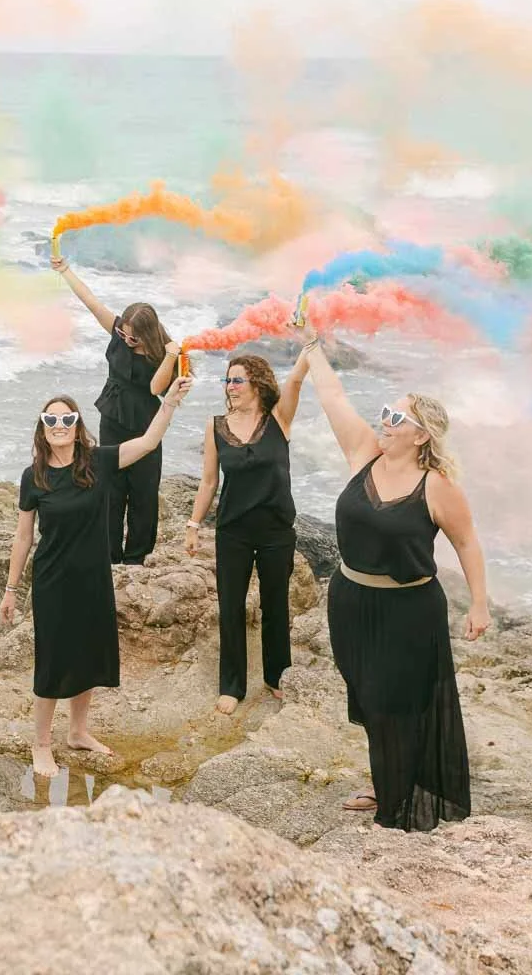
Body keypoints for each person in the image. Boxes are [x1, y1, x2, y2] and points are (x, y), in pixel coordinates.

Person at [301, 334, 491, 831]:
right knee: (367, 697)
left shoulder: (438, 486)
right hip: (350, 600)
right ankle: (388, 780)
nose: (385, 422)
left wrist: (479, 604)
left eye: (397, 418)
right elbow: (333, 398)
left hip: (408, 611)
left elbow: (467, 544)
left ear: (421, 435)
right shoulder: (365, 452)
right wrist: (312, 346)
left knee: (395, 703)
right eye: (386, 412)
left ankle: (396, 805)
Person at [0, 376, 193, 777]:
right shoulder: (32, 476)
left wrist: (169, 401)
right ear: (41, 426)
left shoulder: (98, 461)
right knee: (53, 662)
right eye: (50, 419)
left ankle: (78, 731)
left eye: (67, 418)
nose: (59, 425)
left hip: (93, 577)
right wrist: (11, 589)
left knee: (88, 655)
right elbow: (23, 537)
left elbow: (147, 443)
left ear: (76, 423)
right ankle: (41, 744)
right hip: (52, 581)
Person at [184, 351, 309, 714]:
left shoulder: (279, 419)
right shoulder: (216, 425)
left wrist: (308, 345)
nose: (230, 386)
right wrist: (193, 525)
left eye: (237, 379)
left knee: (275, 606)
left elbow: (298, 378)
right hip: (233, 531)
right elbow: (209, 482)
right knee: (231, 608)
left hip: (276, 531)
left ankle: (276, 676)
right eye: (227, 380)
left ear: (257, 383)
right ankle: (232, 686)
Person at [51, 256, 179, 563]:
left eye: (131, 336)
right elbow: (91, 302)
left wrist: (171, 357)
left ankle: (137, 557)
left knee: (144, 492)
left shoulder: (165, 352)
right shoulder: (119, 334)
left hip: (147, 423)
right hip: (113, 416)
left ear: (147, 334)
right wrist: (66, 270)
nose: (124, 338)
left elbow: (155, 390)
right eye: (122, 332)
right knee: (110, 486)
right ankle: (109, 555)